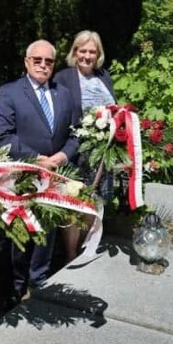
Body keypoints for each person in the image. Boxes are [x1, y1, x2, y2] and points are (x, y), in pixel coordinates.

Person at [0, 39, 79, 299]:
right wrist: (36, 158)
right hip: (22, 176)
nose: (43, 65)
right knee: (20, 236)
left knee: (47, 232)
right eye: (37, 60)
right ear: (27, 62)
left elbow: (76, 134)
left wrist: (63, 156)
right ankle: (15, 288)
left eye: (49, 61)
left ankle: (39, 281)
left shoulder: (64, 93)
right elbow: (3, 135)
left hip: (55, 175)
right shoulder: (10, 92)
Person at [53, 30, 116, 262]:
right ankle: (69, 255)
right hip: (75, 152)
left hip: (100, 154)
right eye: (83, 50)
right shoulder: (64, 77)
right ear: (75, 52)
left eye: (92, 51)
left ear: (98, 54)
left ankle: (82, 248)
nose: (87, 56)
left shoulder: (104, 76)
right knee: (74, 203)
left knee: (93, 201)